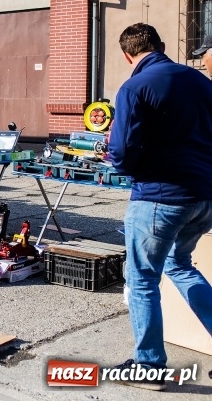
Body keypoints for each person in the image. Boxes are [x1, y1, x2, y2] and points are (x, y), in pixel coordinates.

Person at [108, 23, 212, 391]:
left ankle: (149, 367)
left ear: (127, 55)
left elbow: (120, 153)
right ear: (162, 46)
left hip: (159, 198)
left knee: (141, 279)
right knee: (179, 265)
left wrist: (125, 162)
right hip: (204, 197)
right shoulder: (202, 82)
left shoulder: (134, 87)